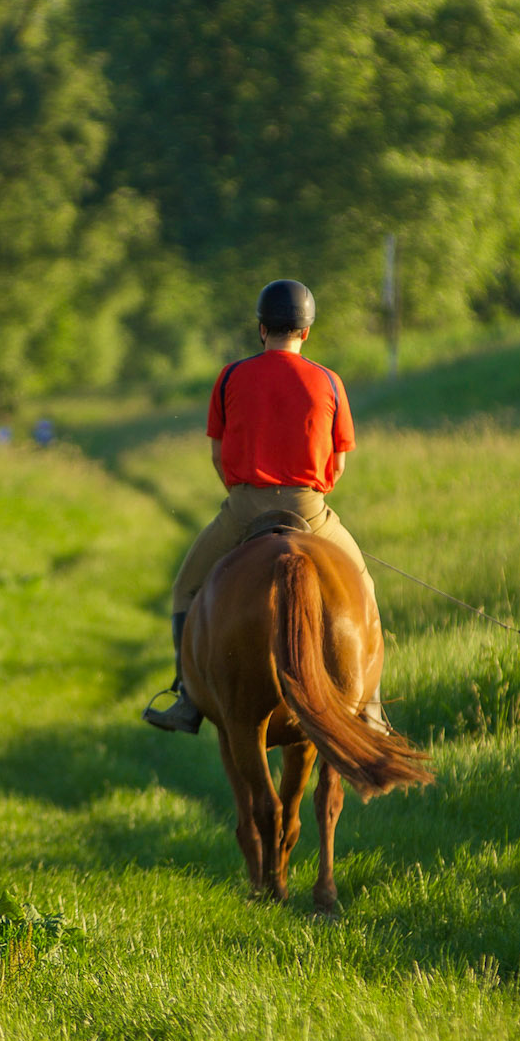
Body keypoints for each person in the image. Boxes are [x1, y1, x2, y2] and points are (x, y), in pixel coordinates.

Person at [143, 278, 384, 735]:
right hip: (311, 510)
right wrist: (313, 496)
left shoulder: (231, 376)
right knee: (364, 590)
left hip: (243, 507)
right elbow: (339, 462)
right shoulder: (330, 381)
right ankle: (371, 709)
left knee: (186, 590)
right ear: (306, 332)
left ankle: (187, 699)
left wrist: (243, 497)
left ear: (261, 328)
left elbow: (218, 453)